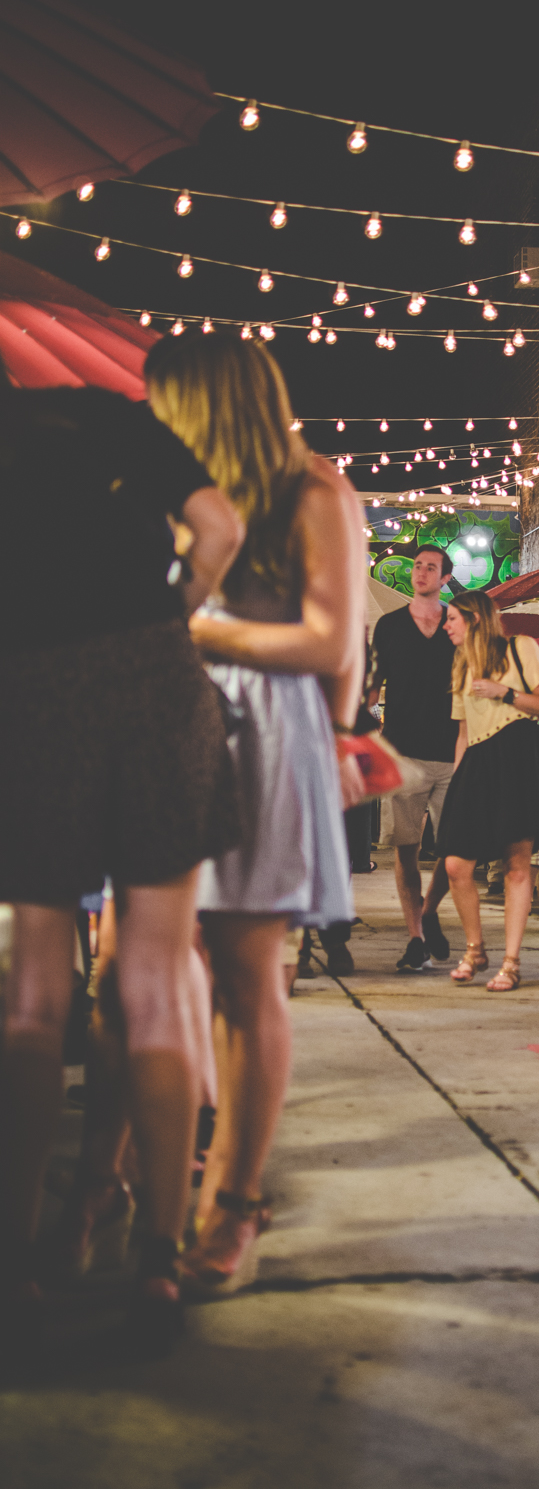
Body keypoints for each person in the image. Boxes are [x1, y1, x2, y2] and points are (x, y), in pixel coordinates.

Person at [0, 380, 244, 1351]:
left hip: (31, 683)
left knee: (32, 996)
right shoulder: (103, 413)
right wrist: (168, 611)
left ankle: (18, 1268)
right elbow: (218, 528)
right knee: (152, 981)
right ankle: (157, 1262)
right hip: (156, 679)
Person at [144, 331, 365, 1296]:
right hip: (167, 721)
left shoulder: (311, 491)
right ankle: (185, 1143)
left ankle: (234, 1199)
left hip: (265, 731)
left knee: (246, 968)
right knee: (152, 959)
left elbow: (329, 641)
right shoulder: (173, 493)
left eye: (164, 399)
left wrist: (197, 627)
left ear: (204, 402)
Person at [437, 591, 539, 992]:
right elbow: (463, 732)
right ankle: (475, 949)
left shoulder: (520, 648)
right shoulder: (461, 664)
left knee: (516, 865)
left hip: (517, 760)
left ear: (473, 619)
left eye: (452, 618)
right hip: (477, 763)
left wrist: (503, 692)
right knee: (456, 864)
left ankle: (511, 962)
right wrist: (457, 783)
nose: (446, 626)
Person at [371, 547, 458, 972]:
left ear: (445, 579)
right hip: (402, 751)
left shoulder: (458, 624)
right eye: (418, 566)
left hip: (452, 750)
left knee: (456, 849)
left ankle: (428, 909)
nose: (421, 572)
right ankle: (416, 938)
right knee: (406, 848)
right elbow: (372, 686)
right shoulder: (389, 626)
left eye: (430, 568)